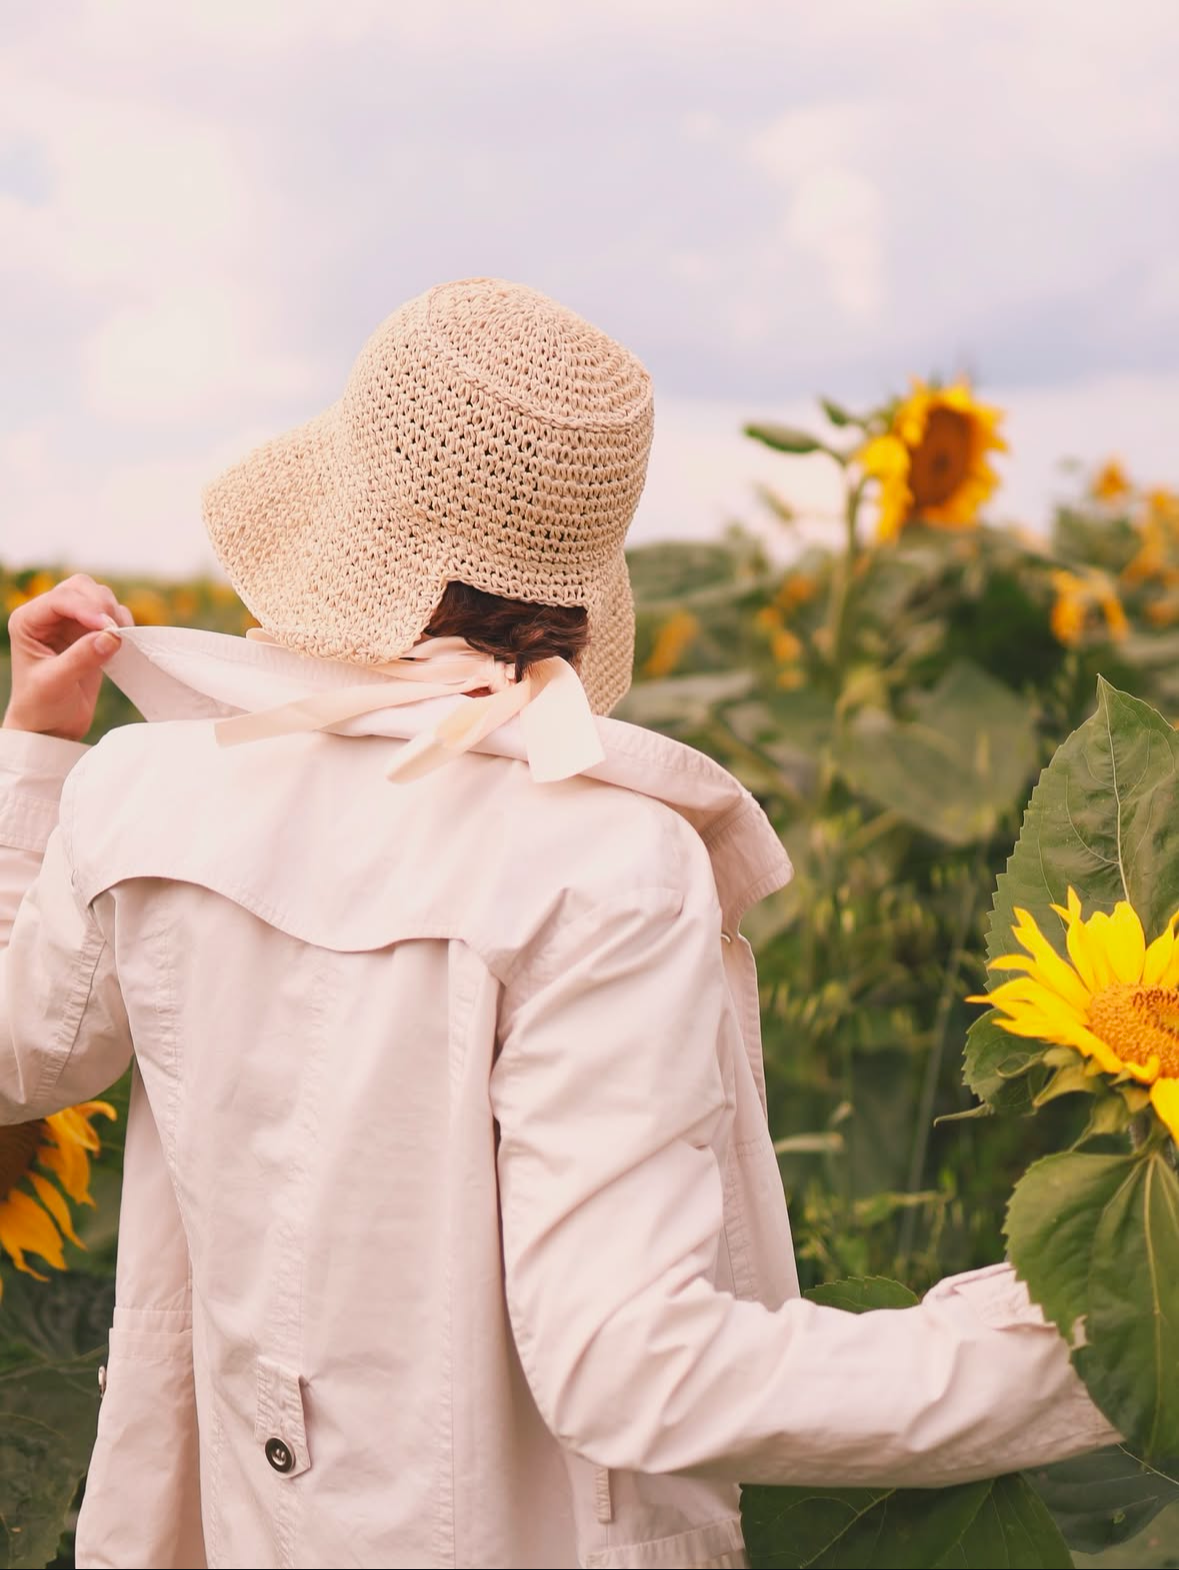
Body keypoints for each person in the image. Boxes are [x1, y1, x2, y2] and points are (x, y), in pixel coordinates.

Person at [0, 280, 1116, 1570]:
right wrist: (1093, 1339)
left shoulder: (150, 785)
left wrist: (35, 760)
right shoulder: (604, 860)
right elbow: (637, 1373)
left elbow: (28, 1060)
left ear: (343, 523)